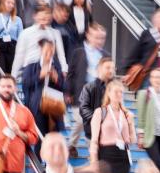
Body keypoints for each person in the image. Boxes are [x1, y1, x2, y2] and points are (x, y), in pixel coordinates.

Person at [89, 78, 136, 173]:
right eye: (116, 91)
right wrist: (94, 165)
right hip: (107, 155)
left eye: (121, 92)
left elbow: (132, 140)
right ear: (108, 93)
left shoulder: (125, 114)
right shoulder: (100, 112)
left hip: (123, 156)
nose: (119, 94)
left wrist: (131, 123)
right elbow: (94, 141)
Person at [66, 23, 108, 157]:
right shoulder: (78, 52)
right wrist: (68, 92)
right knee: (81, 121)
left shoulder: (105, 55)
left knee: (92, 122)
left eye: (102, 38)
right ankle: (88, 148)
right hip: (79, 93)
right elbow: (71, 74)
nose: (99, 41)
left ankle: (78, 147)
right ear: (89, 36)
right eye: (97, 37)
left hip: (97, 95)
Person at [21, 38, 65, 137]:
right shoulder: (31, 66)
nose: (49, 54)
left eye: (52, 51)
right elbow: (26, 84)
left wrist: (57, 79)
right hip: (37, 105)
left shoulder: (57, 67)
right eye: (47, 51)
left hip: (53, 104)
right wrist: (40, 76)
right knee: (40, 137)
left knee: (53, 136)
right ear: (41, 50)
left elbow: (64, 87)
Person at [11, 4, 68, 80]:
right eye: (41, 14)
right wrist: (13, 76)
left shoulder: (55, 33)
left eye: (47, 14)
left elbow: (61, 54)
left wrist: (64, 70)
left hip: (49, 68)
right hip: (30, 68)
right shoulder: (25, 33)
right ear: (35, 16)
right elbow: (19, 56)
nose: (44, 17)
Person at [125, 8, 160, 85]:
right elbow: (135, 52)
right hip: (147, 76)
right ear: (155, 22)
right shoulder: (147, 34)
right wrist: (127, 70)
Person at [77, 55, 113, 155]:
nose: (111, 70)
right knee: (96, 163)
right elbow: (83, 109)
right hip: (93, 134)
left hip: (111, 134)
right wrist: (99, 121)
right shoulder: (89, 87)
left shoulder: (115, 87)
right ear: (100, 69)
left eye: (113, 68)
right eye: (108, 67)